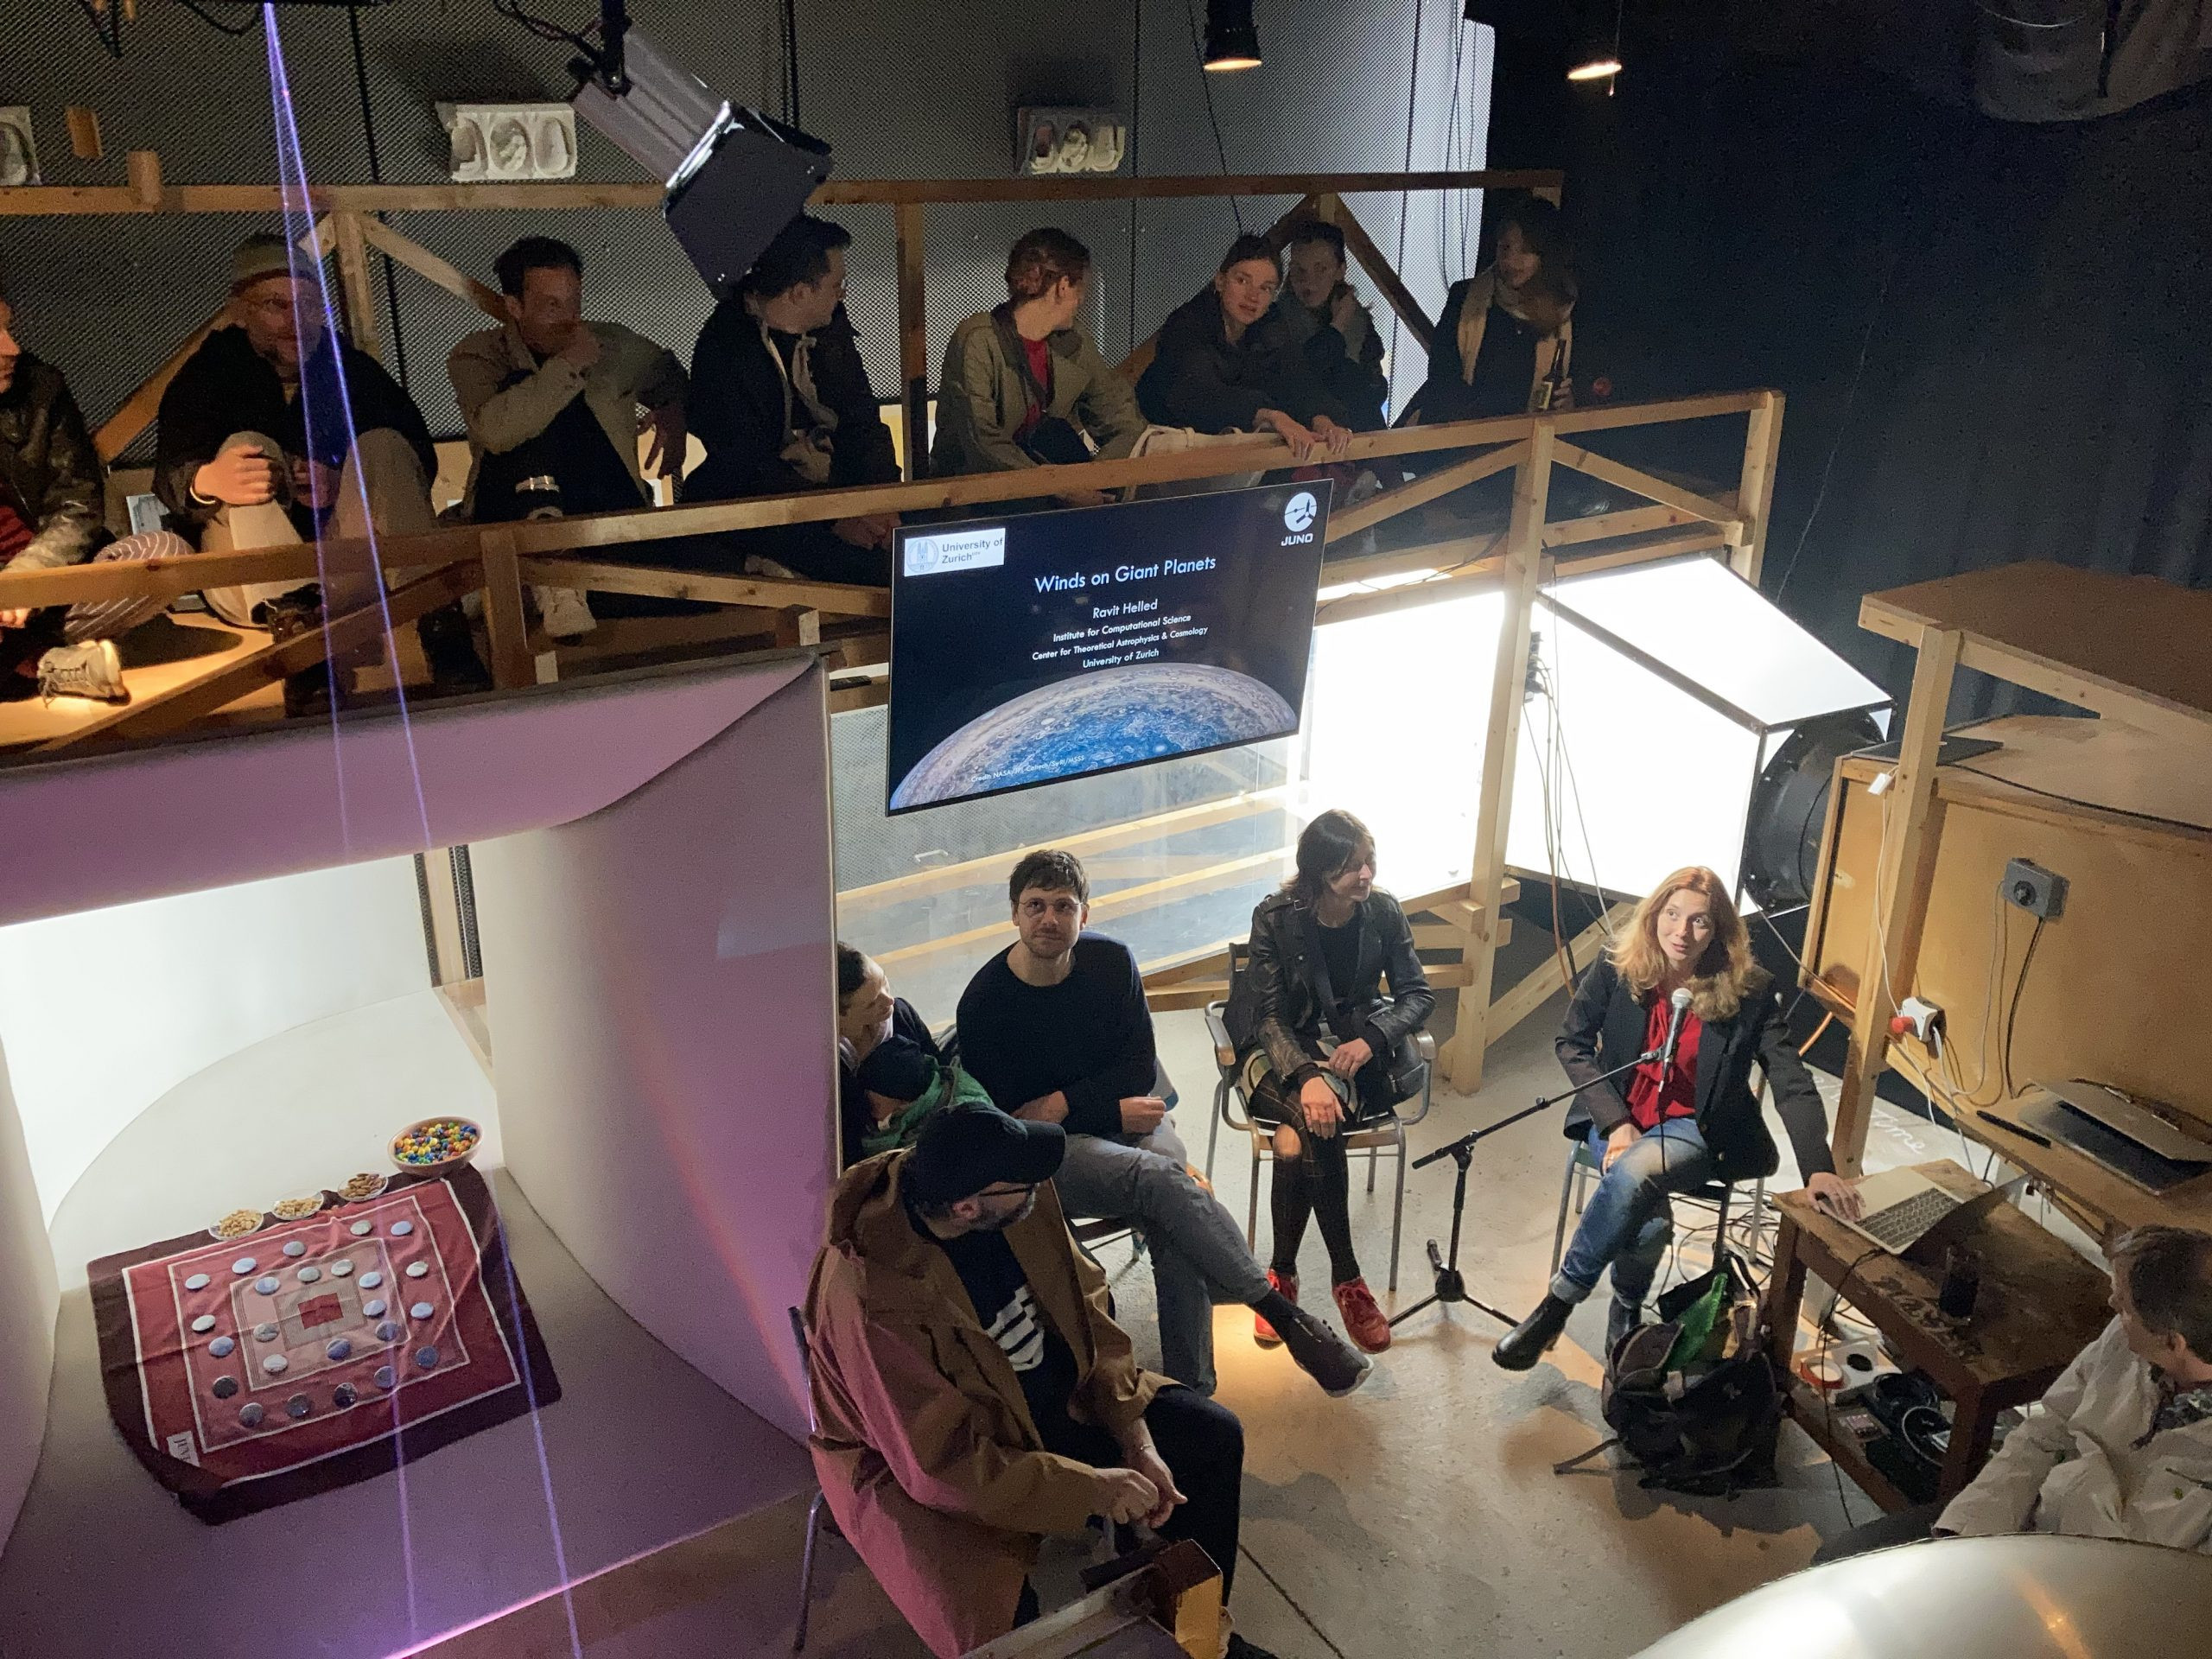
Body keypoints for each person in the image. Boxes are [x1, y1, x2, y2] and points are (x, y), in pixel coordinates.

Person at [804, 1101, 1282, 1659]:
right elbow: (940, 1466)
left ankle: (1196, 1637)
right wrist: (1093, 1489)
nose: (1040, 1186)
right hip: (931, 1467)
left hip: (1055, 1398)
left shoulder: (1009, 1198)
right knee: (1002, 1631)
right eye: (1021, 1185)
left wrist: (1134, 1437)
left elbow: (1090, 1311)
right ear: (966, 1208)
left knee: (1212, 1438)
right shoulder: (873, 1298)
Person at [957, 849, 1370, 1398]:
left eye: (1063, 906)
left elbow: (1137, 1067)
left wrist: (1064, 1101)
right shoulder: (984, 1003)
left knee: (1173, 1220)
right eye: (1035, 906)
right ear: (1014, 913)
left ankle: (1191, 1393)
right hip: (1049, 1152)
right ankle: (1276, 1320)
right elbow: (1011, 1124)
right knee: (1164, 1184)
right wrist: (1102, 1110)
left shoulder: (1111, 963)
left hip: (1130, 1117)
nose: (1049, 919)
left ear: (1085, 914)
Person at [1493, 866, 1859, 1370]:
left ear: (1719, 931)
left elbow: (1790, 1080)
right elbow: (1571, 1042)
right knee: (1647, 1228)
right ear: (1654, 914)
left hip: (1696, 1126)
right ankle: (1626, 1305)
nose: (1681, 932)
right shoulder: (1617, 964)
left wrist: (1818, 1166)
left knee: (1638, 1171)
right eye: (1672, 914)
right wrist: (1616, 1123)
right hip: (1619, 1114)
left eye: (1699, 921)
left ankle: (1558, 1303)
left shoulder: (1749, 991)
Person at [154, 232, 476, 715]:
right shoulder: (206, 378)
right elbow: (170, 475)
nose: (296, 320)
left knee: (383, 443)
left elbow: (413, 458)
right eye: (276, 305)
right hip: (252, 581)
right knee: (248, 449)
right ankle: (301, 649)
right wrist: (207, 481)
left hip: (350, 567)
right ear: (239, 310)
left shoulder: (352, 371)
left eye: (308, 304)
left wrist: (344, 477)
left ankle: (440, 624)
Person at [1813, 1224, 2212, 1561]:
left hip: (2108, 1594)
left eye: (2124, 1307)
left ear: (2172, 1342)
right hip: (2025, 1530)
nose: (2111, 1305)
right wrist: (1964, 1537)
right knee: (1836, 1561)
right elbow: (2044, 1435)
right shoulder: (2128, 1341)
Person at [1224, 810, 1433, 1357]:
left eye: (1369, 861)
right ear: (1319, 870)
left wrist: (1372, 1039)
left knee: (1296, 1139)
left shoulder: (1383, 910)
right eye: (1352, 865)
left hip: (1347, 1048)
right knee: (1314, 1118)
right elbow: (1268, 1016)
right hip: (1276, 1049)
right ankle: (1348, 1280)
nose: (1366, 875)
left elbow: (1417, 994)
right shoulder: (1275, 916)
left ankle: (1280, 1277)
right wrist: (1306, 1076)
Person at [448, 235, 689, 639]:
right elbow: (497, 431)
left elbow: (670, 375)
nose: (570, 319)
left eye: (574, 302)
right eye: (551, 306)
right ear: (514, 307)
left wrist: (673, 412)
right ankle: (553, 573)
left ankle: (552, 580)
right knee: (523, 393)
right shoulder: (479, 355)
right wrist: (569, 364)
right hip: (515, 520)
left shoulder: (611, 345)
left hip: (604, 515)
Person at [0, 283, 194, 704]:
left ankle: (32, 660)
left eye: (8, 328)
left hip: (51, 584)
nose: (12, 348)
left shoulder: (40, 388)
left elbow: (77, 504)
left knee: (165, 555)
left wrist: (27, 577)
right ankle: (49, 663)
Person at [685, 215, 900, 584]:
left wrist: (881, 501)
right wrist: (835, 517)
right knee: (868, 571)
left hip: (840, 489)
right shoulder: (726, 348)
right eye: (837, 285)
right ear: (800, 293)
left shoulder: (829, 327)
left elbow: (862, 419)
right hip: (767, 507)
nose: (842, 294)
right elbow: (743, 463)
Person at [929, 227, 1147, 499]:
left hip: (1048, 492)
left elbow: (1121, 419)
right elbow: (983, 443)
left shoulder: (1074, 341)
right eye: (1080, 288)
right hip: (972, 498)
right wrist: (1062, 490)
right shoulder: (978, 340)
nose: (1081, 300)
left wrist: (1092, 482)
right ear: (1063, 286)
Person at [1135, 234, 1355, 463]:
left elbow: (1297, 377)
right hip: (1162, 449)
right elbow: (1196, 394)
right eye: (1242, 281)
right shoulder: (1188, 324)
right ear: (1220, 281)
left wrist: (1322, 419)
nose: (1253, 296)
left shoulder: (1270, 325)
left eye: (1266, 288)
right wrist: (1268, 415)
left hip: (1232, 455)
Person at [1404, 192, 1579, 429]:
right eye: (1505, 247)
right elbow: (1442, 376)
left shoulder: (1564, 310)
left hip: (1530, 442)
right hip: (1462, 436)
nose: (1510, 260)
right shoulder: (1466, 298)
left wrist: (1569, 406)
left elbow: (1584, 387)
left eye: (1525, 250)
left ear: (1546, 256)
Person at [1279, 221, 1389, 432]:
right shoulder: (1276, 319)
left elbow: (1374, 388)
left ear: (1340, 270)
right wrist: (1337, 327)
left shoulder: (1358, 321)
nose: (1308, 281)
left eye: (1321, 269)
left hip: (1354, 435)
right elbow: (1301, 376)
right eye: (1298, 270)